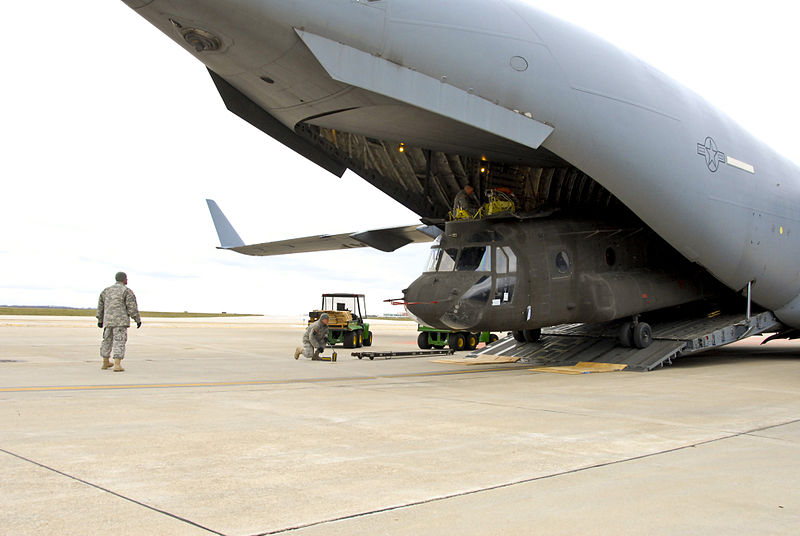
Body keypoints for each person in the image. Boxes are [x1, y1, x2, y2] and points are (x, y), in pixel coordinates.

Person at [96, 272, 141, 372]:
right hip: (120, 322)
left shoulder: (106, 291)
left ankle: (105, 361)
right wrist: (137, 319)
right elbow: (132, 307)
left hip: (108, 321)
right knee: (119, 341)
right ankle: (117, 364)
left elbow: (100, 307)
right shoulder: (126, 291)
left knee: (107, 340)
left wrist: (100, 320)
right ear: (124, 279)